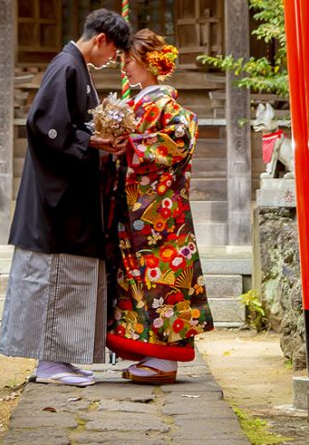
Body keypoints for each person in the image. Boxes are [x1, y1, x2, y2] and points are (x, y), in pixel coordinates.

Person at [0, 9, 133, 386]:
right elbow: (43, 125)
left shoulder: (77, 68)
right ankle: (49, 363)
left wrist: (98, 139)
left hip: (72, 195)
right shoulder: (67, 66)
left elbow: (72, 127)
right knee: (54, 278)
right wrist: (92, 140)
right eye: (112, 53)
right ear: (101, 39)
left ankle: (61, 359)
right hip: (55, 201)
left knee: (68, 278)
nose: (111, 62)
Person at [105, 29, 214, 384]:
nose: (123, 67)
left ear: (150, 62)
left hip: (161, 211)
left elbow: (178, 141)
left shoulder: (166, 104)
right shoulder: (141, 103)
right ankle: (150, 351)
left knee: (165, 279)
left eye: (128, 60)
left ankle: (166, 360)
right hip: (137, 208)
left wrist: (133, 145)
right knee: (137, 280)